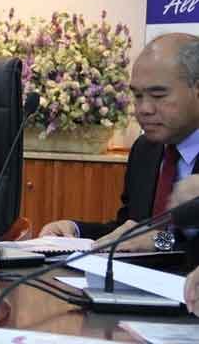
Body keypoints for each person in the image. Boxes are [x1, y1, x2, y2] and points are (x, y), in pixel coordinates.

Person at [39, 33, 199, 251]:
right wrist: (75, 231)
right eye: (138, 96)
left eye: (158, 95)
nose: (144, 109)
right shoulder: (146, 149)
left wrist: (162, 243)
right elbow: (128, 232)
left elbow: (165, 243)